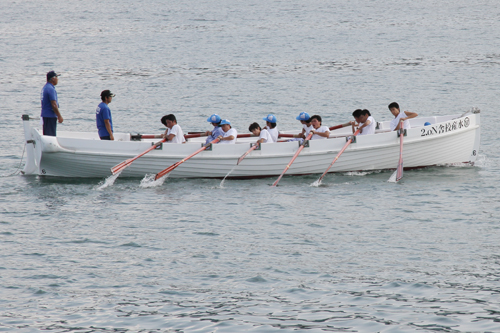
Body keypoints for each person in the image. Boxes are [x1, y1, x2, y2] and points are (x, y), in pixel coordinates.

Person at [40, 71, 63, 136]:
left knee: (47, 135)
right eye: (56, 77)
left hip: (45, 115)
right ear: (52, 78)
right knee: (50, 136)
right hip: (50, 116)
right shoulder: (50, 89)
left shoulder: (45, 87)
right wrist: (59, 116)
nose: (57, 79)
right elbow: (54, 104)